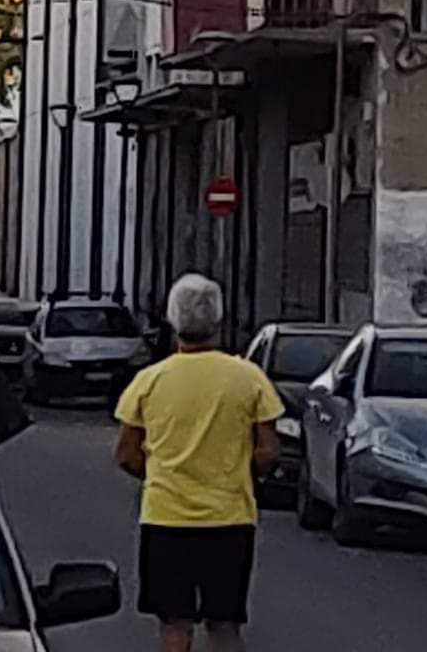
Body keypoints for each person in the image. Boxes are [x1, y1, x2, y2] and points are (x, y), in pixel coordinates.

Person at [115, 273, 282, 651]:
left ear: (173, 320)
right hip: (229, 519)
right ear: (219, 320)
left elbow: (126, 452)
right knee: (224, 625)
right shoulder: (249, 378)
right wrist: (244, 475)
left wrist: (157, 473)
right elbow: (269, 450)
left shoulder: (149, 380)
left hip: (166, 518)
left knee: (175, 626)